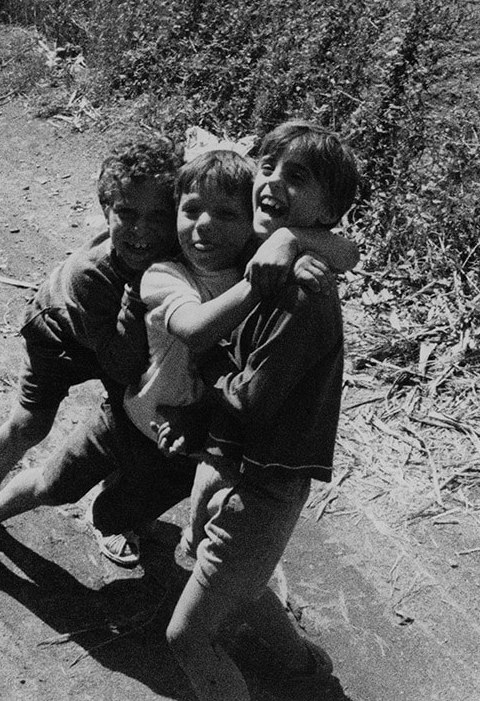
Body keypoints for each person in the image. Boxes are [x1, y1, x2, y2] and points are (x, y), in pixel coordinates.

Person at [0, 128, 186, 605]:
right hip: (64, 331)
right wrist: (136, 291)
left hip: (127, 346)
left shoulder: (181, 251)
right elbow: (120, 364)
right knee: (30, 422)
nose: (142, 230)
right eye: (127, 213)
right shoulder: (93, 274)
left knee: (131, 414)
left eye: (159, 216)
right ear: (105, 211)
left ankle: (115, 510)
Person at [163, 121, 360, 701]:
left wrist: (191, 399)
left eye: (295, 177)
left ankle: (296, 669)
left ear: (331, 207)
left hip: (264, 484)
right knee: (226, 573)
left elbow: (249, 400)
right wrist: (291, 241)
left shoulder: (302, 292)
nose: (271, 182)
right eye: (267, 168)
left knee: (188, 640)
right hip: (234, 465)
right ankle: (302, 667)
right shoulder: (269, 255)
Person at [125, 138, 353, 563]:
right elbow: (196, 333)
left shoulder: (254, 248)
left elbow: (349, 252)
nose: (206, 225)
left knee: (199, 527)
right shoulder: (171, 268)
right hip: (150, 409)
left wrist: (288, 242)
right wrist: (266, 271)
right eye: (192, 210)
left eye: (227, 213)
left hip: (204, 424)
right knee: (72, 486)